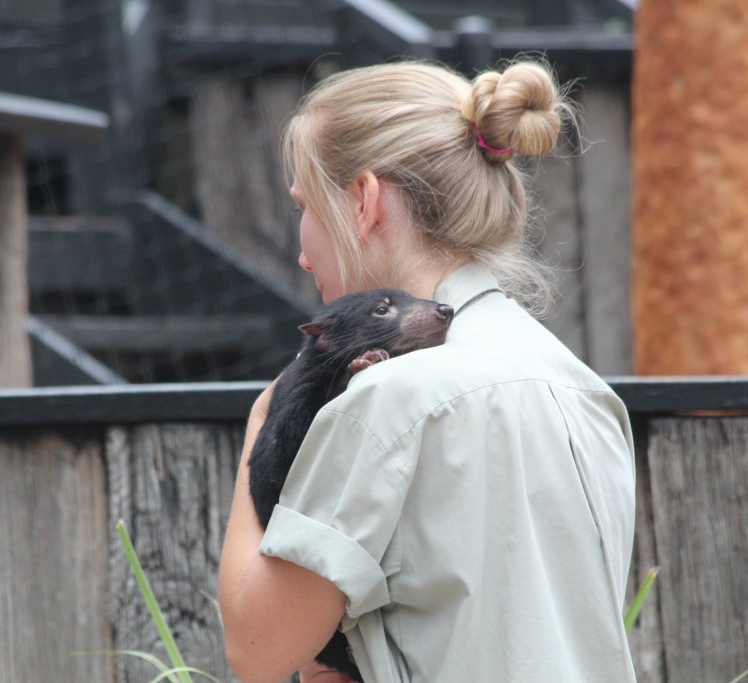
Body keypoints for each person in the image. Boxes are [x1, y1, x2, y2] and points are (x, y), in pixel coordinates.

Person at [219, 60, 637, 683]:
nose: (304, 252)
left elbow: (257, 649)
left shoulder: (385, 397)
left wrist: (268, 416)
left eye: (305, 207)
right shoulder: (578, 383)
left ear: (363, 201)